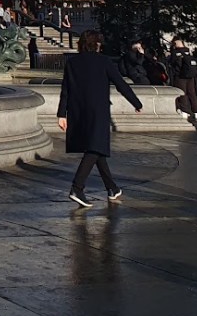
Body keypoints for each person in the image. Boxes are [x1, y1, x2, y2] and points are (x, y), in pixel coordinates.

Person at [57, 30, 143, 207]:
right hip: (98, 110)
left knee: (96, 148)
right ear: (97, 44)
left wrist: (61, 114)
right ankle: (77, 187)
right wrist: (136, 102)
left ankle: (112, 188)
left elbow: (65, 90)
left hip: (78, 111)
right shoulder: (104, 61)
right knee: (95, 148)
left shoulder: (72, 63)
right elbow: (120, 84)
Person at [169, 39, 197, 122]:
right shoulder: (188, 51)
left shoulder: (175, 53)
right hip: (190, 76)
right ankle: (196, 111)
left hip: (180, 76)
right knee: (191, 93)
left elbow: (172, 63)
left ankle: (184, 111)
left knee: (182, 93)